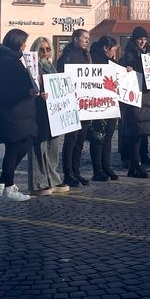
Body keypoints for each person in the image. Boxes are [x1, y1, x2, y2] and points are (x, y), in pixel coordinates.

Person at [0, 29, 41, 202]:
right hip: (12, 112)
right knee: (13, 149)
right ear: (17, 43)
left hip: (21, 112)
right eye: (24, 42)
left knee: (23, 145)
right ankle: (9, 187)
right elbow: (7, 90)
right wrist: (27, 91)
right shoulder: (6, 62)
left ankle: (2, 183)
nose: (25, 45)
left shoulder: (12, 59)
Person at [29, 37, 68, 195]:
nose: (45, 53)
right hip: (39, 112)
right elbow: (30, 89)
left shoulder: (51, 66)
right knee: (39, 148)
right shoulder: (32, 68)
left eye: (47, 49)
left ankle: (53, 178)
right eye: (41, 50)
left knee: (53, 147)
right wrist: (39, 94)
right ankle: (38, 182)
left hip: (54, 112)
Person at [119, 27, 150, 179]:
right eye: (140, 39)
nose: (143, 42)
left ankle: (137, 163)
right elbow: (126, 68)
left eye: (145, 39)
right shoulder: (129, 53)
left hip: (147, 96)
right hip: (134, 96)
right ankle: (135, 164)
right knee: (135, 131)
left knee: (141, 131)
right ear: (134, 40)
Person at [56, 29, 91, 186]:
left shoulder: (86, 55)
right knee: (71, 140)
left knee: (80, 140)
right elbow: (62, 77)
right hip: (71, 104)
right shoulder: (67, 56)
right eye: (84, 38)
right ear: (76, 39)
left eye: (88, 38)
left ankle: (76, 172)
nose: (87, 40)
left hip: (85, 104)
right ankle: (68, 173)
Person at [88, 35, 122, 182]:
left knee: (108, 137)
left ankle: (106, 166)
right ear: (105, 48)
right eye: (113, 49)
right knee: (98, 138)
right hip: (98, 104)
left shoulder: (111, 62)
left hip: (111, 104)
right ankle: (97, 169)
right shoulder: (93, 60)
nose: (114, 52)